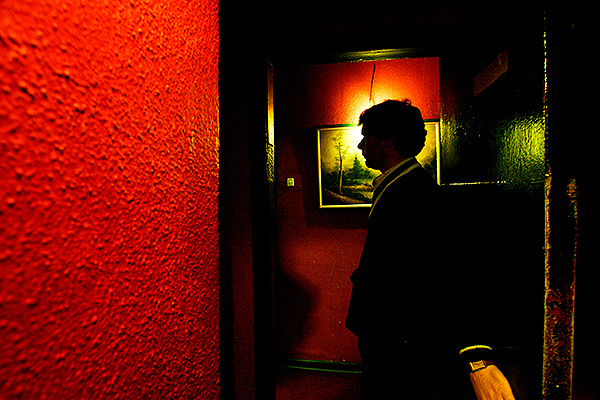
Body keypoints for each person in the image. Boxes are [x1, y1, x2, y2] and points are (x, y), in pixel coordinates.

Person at [345, 99, 516, 400]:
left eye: (366, 136)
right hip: (390, 335)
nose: (360, 146)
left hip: (398, 341)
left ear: (388, 140)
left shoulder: (413, 194)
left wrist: (476, 356)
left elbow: (451, 270)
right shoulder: (402, 186)